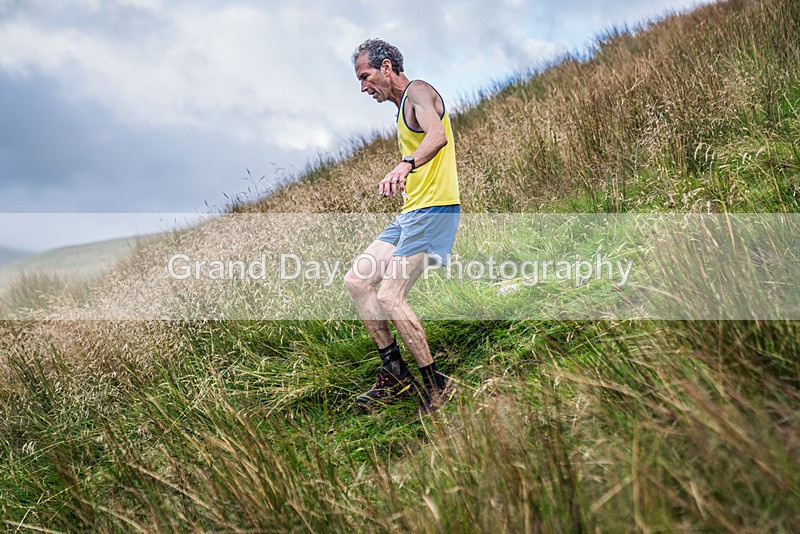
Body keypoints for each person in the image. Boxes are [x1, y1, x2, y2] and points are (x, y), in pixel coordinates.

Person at [344, 38, 460, 415]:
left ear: (387, 67)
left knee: (389, 297)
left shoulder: (419, 92)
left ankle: (437, 386)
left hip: (434, 211)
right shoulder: (399, 106)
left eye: (366, 76)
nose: (363, 87)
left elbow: (437, 135)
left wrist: (404, 165)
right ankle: (395, 372)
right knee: (357, 281)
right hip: (411, 213)